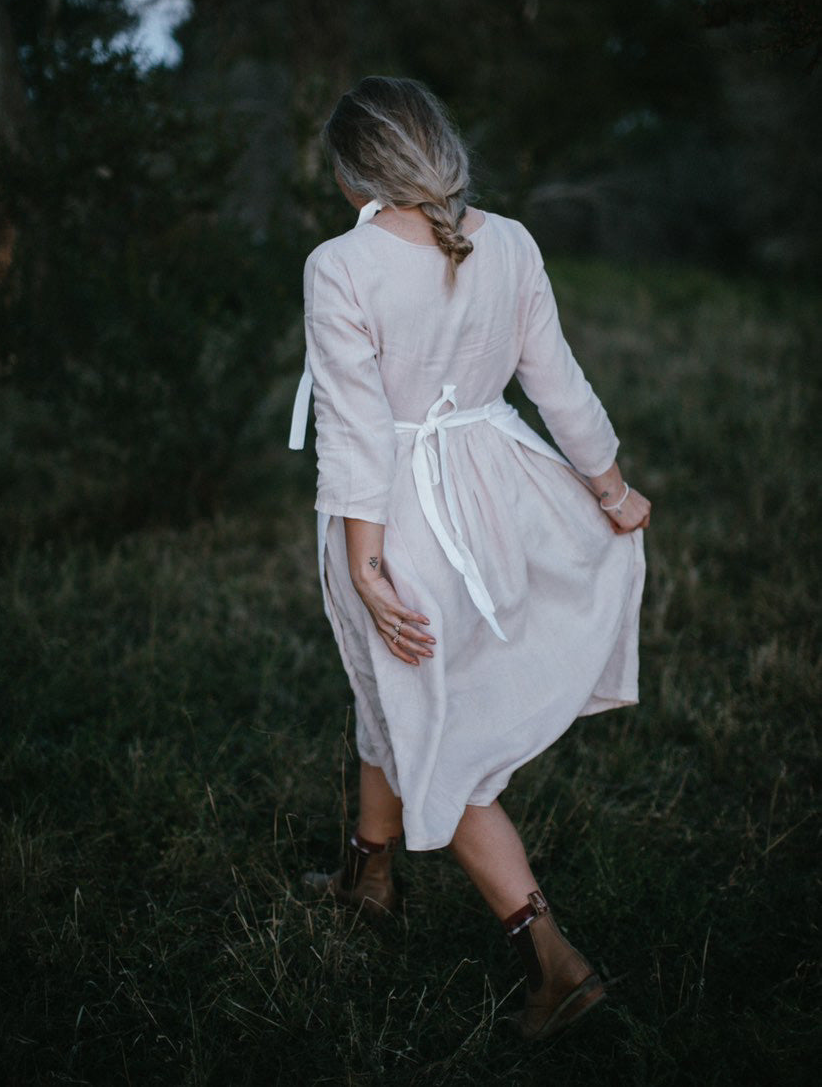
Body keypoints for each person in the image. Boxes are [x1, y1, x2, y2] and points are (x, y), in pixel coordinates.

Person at [289, 76, 650, 1041]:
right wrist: (610, 490)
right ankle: (372, 873)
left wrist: (366, 566)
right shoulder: (513, 240)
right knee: (392, 690)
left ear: (355, 169)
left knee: (437, 733)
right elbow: (558, 382)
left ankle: (552, 961)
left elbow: (359, 431)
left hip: (403, 519)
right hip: (502, 495)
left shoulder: (341, 262)